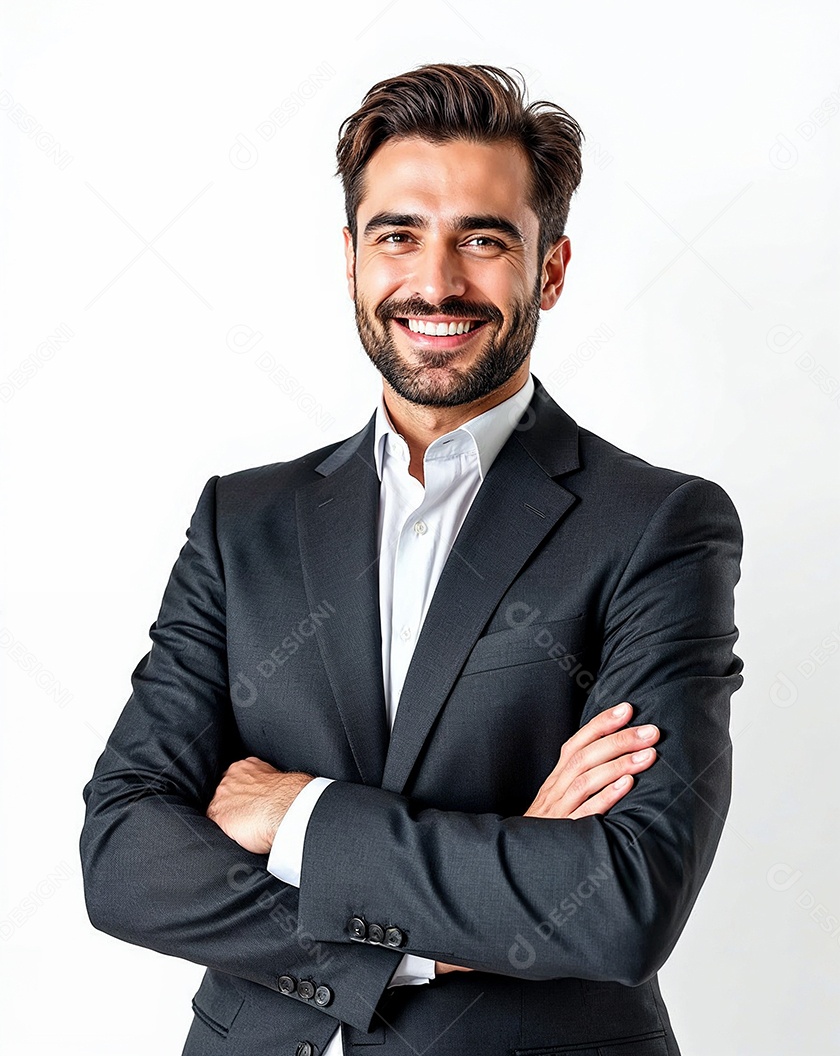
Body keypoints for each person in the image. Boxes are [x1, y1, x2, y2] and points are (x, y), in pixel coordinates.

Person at [80, 63, 743, 1056]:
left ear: (549, 269)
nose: (435, 282)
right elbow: (126, 857)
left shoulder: (657, 525)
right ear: (351, 258)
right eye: (398, 235)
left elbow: (624, 898)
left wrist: (297, 813)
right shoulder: (243, 521)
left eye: (484, 239)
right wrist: (439, 928)